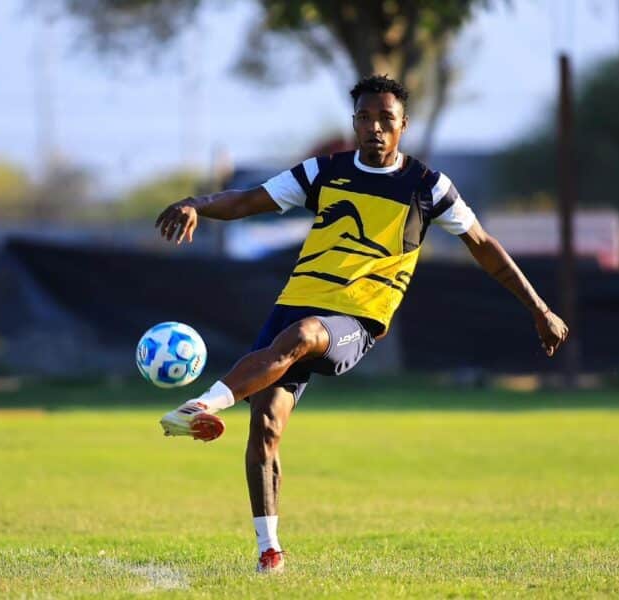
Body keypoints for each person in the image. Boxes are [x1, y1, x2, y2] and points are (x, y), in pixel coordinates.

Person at [154, 74, 569, 573]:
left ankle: (200, 405)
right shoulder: (324, 172)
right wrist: (196, 204)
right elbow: (248, 201)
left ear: (403, 125)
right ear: (354, 123)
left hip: (356, 318)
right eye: (365, 118)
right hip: (294, 304)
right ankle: (269, 551)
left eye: (385, 119)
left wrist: (539, 308)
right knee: (264, 425)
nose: (375, 128)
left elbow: (484, 246)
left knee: (304, 336)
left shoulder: (427, 187)